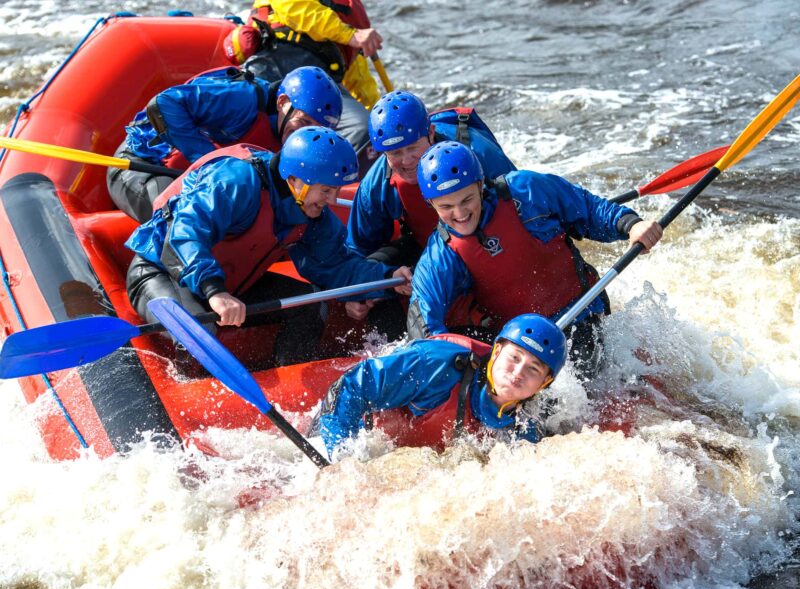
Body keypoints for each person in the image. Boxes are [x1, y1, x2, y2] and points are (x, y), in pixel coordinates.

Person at [124, 126, 411, 368]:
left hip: (231, 284)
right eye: (326, 190)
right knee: (197, 336)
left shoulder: (310, 213)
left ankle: (292, 390)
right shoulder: (237, 182)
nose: (332, 200)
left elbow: (337, 266)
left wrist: (387, 278)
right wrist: (215, 291)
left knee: (310, 305)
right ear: (295, 181)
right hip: (161, 272)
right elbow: (185, 234)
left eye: (334, 191)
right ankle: (195, 399)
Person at [408, 141, 664, 379]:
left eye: (467, 200)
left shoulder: (526, 191)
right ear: (431, 204)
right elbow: (424, 323)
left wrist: (631, 225)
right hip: (519, 347)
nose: (460, 213)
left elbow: (589, 209)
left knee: (584, 375)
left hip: (579, 315)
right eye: (447, 207)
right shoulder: (440, 255)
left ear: (480, 185)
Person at [342, 90, 517, 336]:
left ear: (431, 134)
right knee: (372, 276)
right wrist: (358, 292)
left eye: (413, 148)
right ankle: (393, 347)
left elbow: (521, 213)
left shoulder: (478, 153)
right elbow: (357, 251)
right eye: (395, 153)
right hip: (427, 246)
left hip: (488, 240)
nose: (407, 161)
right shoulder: (377, 185)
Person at [108, 65, 342, 223]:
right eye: (303, 121)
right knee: (187, 217)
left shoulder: (297, 139)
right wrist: (212, 163)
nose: (303, 134)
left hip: (190, 181)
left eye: (314, 129)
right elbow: (163, 105)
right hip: (140, 166)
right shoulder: (242, 99)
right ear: (282, 103)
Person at [318, 313, 567, 459]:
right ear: (497, 352)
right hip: (341, 432)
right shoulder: (435, 365)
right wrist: (344, 463)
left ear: (544, 383)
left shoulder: (525, 428)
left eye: (533, 368)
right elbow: (349, 387)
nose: (518, 372)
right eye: (514, 357)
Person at [239, 0, 383, 161]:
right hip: (272, 62)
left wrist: (381, 119)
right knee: (244, 103)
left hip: (320, 82)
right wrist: (349, 34)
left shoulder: (354, 16)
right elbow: (293, 7)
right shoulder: (349, 32)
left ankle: (336, 181)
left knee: (363, 129)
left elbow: (361, 80)